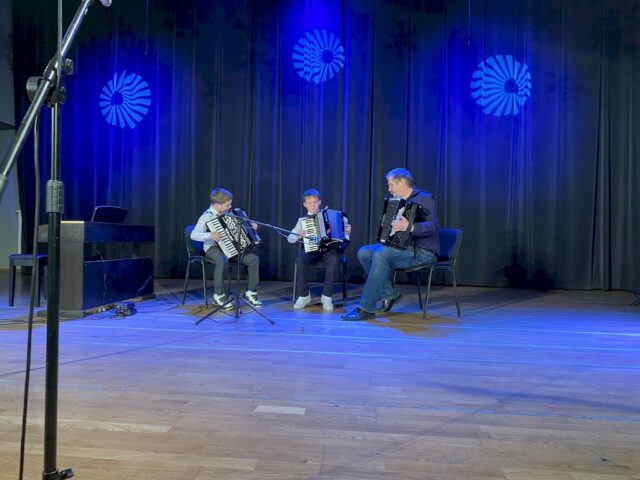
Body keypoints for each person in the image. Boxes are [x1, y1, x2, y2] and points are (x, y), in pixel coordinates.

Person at [343, 168, 439, 321]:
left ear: (403, 182)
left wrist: (409, 227)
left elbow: (432, 226)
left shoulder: (424, 198)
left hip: (423, 251)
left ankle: (366, 308)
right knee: (364, 252)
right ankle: (389, 294)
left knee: (381, 254)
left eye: (391, 185)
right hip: (402, 248)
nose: (389, 189)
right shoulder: (397, 202)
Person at [191, 188, 262, 309]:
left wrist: (251, 227)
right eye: (227, 205)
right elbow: (194, 235)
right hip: (213, 247)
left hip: (232, 248)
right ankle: (218, 295)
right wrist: (209, 235)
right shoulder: (206, 217)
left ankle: (251, 292)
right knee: (222, 260)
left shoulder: (230, 214)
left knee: (253, 259)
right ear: (217, 204)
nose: (230, 207)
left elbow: (239, 230)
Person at [288, 189, 351, 311]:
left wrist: (347, 232)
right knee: (300, 259)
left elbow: (344, 237)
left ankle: (326, 297)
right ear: (305, 204)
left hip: (328, 250)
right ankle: (304, 296)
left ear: (320, 202)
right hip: (311, 250)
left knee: (333, 259)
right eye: (309, 203)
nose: (313, 205)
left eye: (315, 202)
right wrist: (298, 235)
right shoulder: (302, 221)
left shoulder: (328, 216)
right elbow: (290, 239)